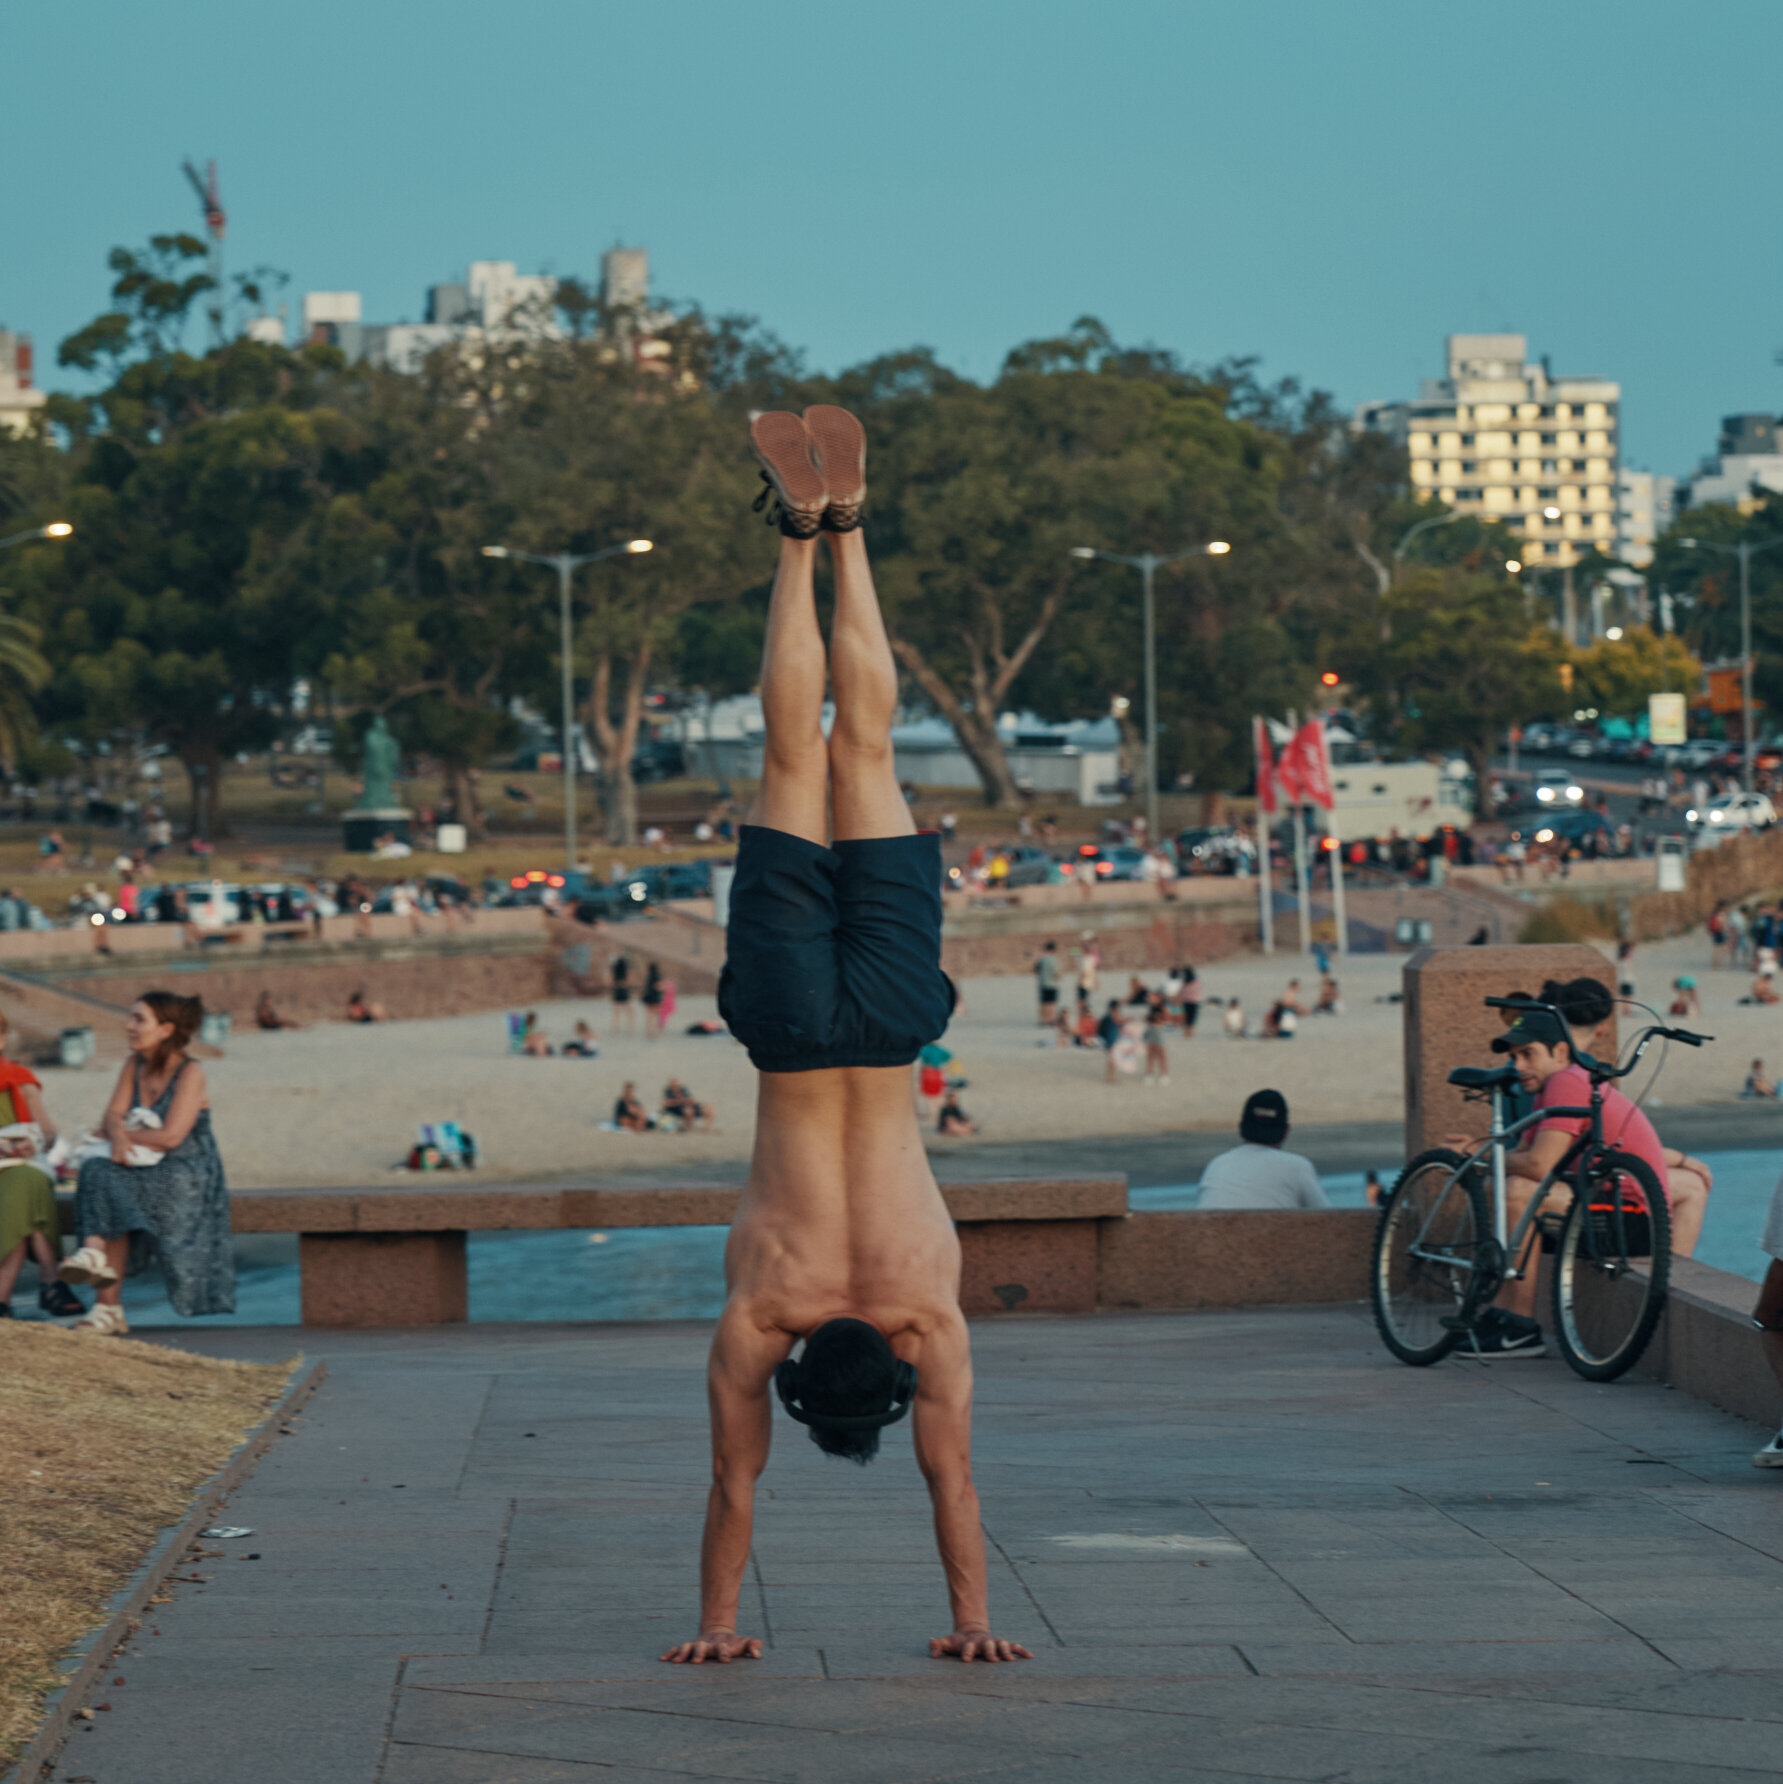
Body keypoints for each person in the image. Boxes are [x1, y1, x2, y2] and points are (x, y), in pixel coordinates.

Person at [663, 406, 1028, 1666]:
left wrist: (978, 1620)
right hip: (784, 1030)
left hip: (885, 1031)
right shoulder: (764, 1318)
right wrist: (714, 1623)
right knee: (792, 751)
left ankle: (851, 530)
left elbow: (958, 1486)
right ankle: (798, 537)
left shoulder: (931, 1320)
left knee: (862, 752)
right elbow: (732, 1486)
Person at [1453, 982, 1710, 1359]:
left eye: (1527, 1055)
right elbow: (1525, 1155)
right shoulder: (1554, 1085)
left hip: (1628, 1223)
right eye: (1513, 1057)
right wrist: (1484, 1156)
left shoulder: (1566, 1083)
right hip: (1610, 1205)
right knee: (1509, 1183)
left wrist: (1474, 1156)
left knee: (1517, 1192)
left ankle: (1519, 1326)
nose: (1517, 1066)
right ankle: (1500, 1313)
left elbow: (1539, 1166)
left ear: (1559, 1052)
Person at [59, 992, 233, 1333]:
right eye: (131, 1019)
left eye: (139, 1020)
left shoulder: (190, 1072)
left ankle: (107, 1304)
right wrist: (120, 1136)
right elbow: (112, 1113)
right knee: (99, 1172)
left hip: (185, 1170)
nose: (129, 1027)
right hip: (139, 1165)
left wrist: (119, 1135)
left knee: (107, 1182)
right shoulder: (133, 1064)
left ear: (165, 1029)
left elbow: (171, 1137)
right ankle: (96, 1265)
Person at [0, 1009, 79, 1319]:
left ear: (2, 1039)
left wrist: (31, 1142)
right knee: (28, 1193)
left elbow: (48, 1132)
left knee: (25, 1184)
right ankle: (52, 1283)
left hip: (19, 1165)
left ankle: (2, 1300)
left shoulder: (20, 1079)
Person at [1196, 1090, 1329, 1210]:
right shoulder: (1298, 1167)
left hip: (1214, 1236)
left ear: (1240, 1127)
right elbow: (1327, 1219)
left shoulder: (1218, 1164)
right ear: (1286, 1131)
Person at [1142, 995, 1170, 1086]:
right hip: (1151, 1030)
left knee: (1161, 1054)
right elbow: (1146, 1019)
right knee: (1150, 1054)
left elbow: (1167, 1019)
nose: (1152, 999)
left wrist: (1159, 1017)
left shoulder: (1163, 1008)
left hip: (1159, 1030)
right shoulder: (1151, 1008)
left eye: (1154, 998)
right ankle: (1149, 1073)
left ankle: (1164, 1074)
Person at [1034, 940, 1060, 1027]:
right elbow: (1056, 973)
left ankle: (1044, 1020)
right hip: (1052, 984)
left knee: (1044, 1003)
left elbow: (1036, 971)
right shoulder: (1054, 960)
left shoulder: (1042, 959)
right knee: (1051, 1003)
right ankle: (1051, 1020)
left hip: (1043, 984)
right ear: (1053, 950)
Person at [609, 953, 635, 1034]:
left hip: (617, 988)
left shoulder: (615, 968)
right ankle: (629, 1025)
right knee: (629, 1010)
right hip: (623, 989)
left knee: (616, 1010)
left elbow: (611, 979)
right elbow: (628, 978)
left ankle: (615, 1026)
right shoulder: (625, 969)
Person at [642, 961, 665, 1038]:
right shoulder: (657, 976)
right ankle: (655, 1032)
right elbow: (658, 986)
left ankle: (648, 1031)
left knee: (649, 1016)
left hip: (648, 998)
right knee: (656, 1016)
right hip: (655, 998)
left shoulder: (649, 976)